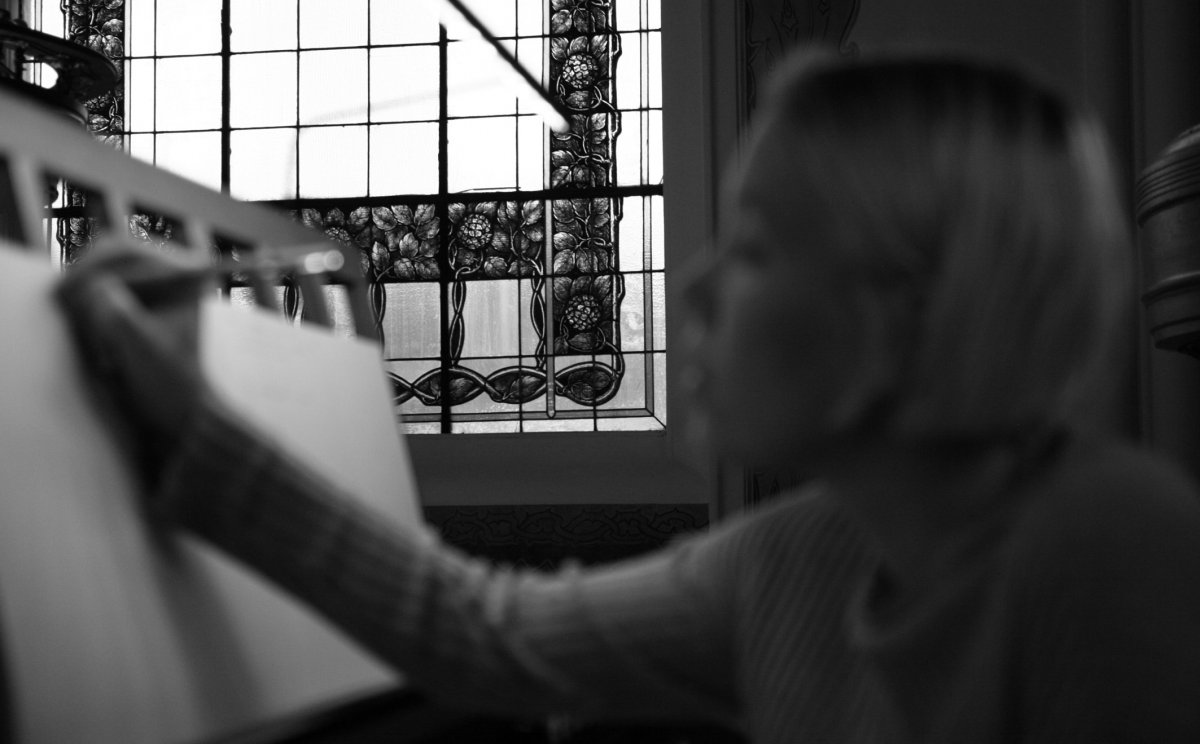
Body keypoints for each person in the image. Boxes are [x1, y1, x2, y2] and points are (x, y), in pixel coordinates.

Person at [56, 49, 1200, 743]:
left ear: (903, 310)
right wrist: (201, 414)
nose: (694, 285)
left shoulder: (1110, 543)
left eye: (754, 248)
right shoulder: (795, 554)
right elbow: (484, 633)